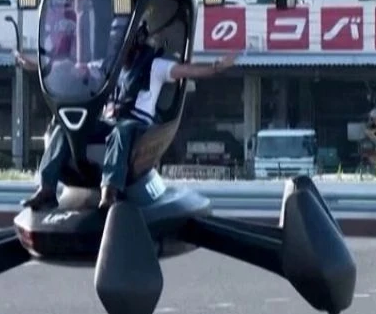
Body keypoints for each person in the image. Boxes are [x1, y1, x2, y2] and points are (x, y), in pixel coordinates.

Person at [15, 18, 239, 211]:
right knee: (64, 127)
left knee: (122, 129)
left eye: (125, 42)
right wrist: (39, 67)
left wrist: (217, 67)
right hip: (110, 122)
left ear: (137, 41)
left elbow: (189, 70)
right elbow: (73, 67)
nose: (119, 48)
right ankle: (46, 189)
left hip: (139, 126)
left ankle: (110, 191)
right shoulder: (108, 67)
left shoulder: (156, 65)